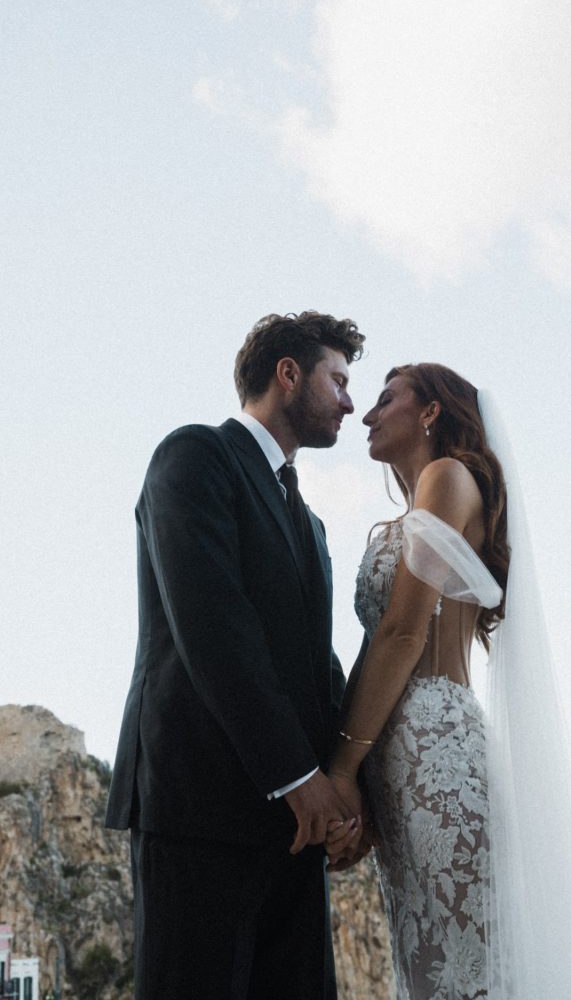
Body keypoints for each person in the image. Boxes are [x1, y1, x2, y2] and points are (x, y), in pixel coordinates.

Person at [326, 363, 571, 1000]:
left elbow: (403, 635)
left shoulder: (449, 476)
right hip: (393, 762)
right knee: (426, 964)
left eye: (386, 399)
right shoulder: (408, 514)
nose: (368, 415)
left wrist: (342, 770)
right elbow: (374, 648)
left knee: (467, 970)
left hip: (438, 751)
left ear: (430, 412)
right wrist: (357, 778)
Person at [105, 311, 365, 1000]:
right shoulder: (194, 455)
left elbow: (317, 663)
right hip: (197, 810)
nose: (349, 402)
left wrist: (343, 790)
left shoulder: (310, 521)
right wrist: (296, 775)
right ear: (288, 374)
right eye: (338, 380)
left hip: (295, 830)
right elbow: (212, 625)